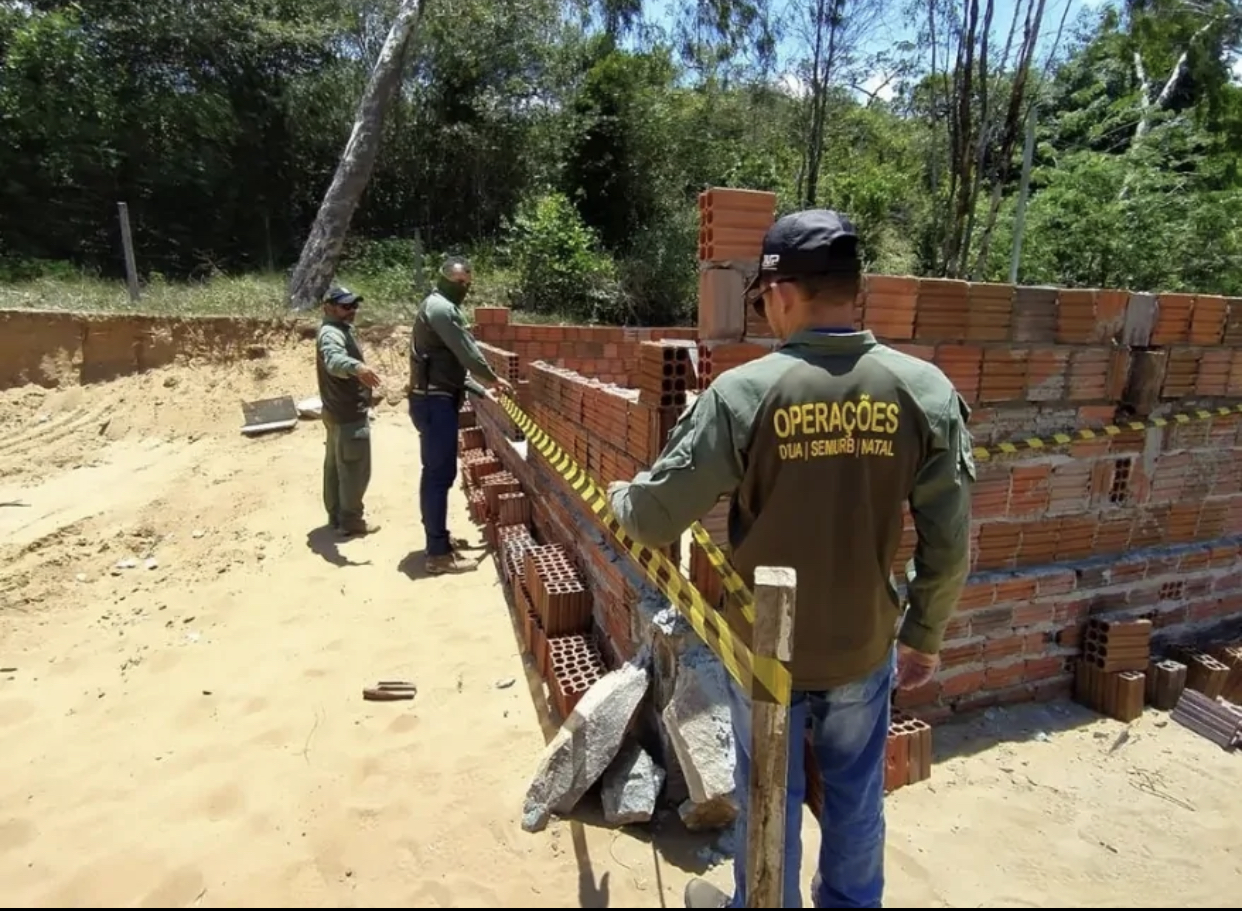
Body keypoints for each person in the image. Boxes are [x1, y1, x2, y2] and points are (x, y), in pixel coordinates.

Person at [607, 209, 974, 909]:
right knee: (857, 796)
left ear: (780, 293)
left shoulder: (744, 394)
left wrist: (621, 495)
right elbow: (950, 541)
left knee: (770, 792)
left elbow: (654, 518)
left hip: (765, 655)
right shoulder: (923, 390)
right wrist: (924, 634)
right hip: (863, 645)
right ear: (854, 288)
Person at [409, 256, 514, 575]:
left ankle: (438, 538)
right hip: (434, 402)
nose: (463, 287)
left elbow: (451, 367)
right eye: (458, 282)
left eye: (467, 283)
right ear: (443, 278)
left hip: (437, 398)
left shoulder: (439, 306)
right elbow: (466, 351)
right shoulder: (441, 309)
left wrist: (482, 391)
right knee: (438, 475)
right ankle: (437, 554)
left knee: (438, 474)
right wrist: (492, 377)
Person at [317, 286, 383, 538]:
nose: (352, 310)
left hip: (335, 412)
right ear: (328, 307)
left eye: (354, 305)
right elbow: (334, 361)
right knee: (354, 470)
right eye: (346, 306)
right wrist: (357, 367)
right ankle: (351, 521)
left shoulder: (336, 328)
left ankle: (336, 516)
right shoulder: (332, 334)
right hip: (348, 415)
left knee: (336, 467)